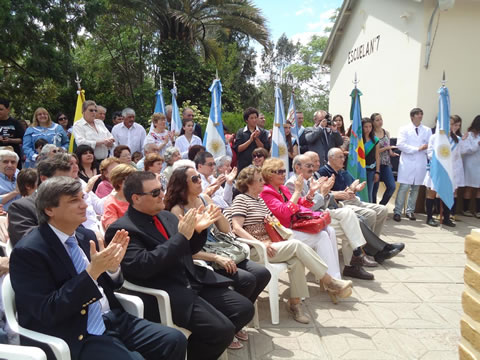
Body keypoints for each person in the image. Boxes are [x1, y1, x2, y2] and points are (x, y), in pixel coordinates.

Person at [10, 176, 187, 360]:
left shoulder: (85, 236)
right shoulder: (29, 252)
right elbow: (47, 311)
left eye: (82, 198)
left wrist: (112, 268)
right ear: (49, 209)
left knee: (174, 339)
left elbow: (110, 284)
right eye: (74, 201)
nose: (84, 205)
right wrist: (92, 272)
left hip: (112, 319)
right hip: (77, 330)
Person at [105, 171, 254, 360]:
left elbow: (187, 250)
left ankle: (196, 349)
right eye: (155, 192)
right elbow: (143, 266)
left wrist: (197, 232)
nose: (162, 195)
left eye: (161, 189)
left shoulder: (166, 216)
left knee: (243, 309)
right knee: (221, 331)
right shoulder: (123, 229)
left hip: (192, 279)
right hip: (166, 290)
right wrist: (182, 236)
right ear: (136, 198)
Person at [229, 166, 353, 323]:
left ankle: (295, 304)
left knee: (296, 260)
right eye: (259, 179)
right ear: (248, 183)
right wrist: (259, 242)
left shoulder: (259, 200)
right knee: (296, 245)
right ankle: (330, 281)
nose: (263, 182)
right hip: (255, 250)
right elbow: (236, 227)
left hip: (271, 246)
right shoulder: (241, 199)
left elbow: (273, 223)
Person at [165, 165, 270, 348]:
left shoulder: (204, 199)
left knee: (262, 274)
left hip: (223, 249)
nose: (200, 181)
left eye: (199, 177)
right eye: (195, 179)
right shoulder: (177, 210)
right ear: (183, 184)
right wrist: (214, 257)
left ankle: (236, 321)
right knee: (246, 280)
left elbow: (226, 229)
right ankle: (230, 322)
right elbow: (184, 248)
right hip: (203, 257)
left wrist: (214, 212)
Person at [285, 154, 376, 280]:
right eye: (308, 166)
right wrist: (322, 193)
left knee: (349, 219)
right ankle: (356, 257)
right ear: (297, 168)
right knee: (349, 226)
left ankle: (353, 262)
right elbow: (303, 210)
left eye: (313, 165)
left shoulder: (309, 180)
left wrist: (325, 192)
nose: (312, 168)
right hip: (306, 222)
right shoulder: (292, 184)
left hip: (320, 215)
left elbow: (321, 202)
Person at [259, 158, 342, 279]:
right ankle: (332, 279)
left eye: (284, 171)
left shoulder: (282, 189)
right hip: (281, 233)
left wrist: (311, 193)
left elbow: (299, 205)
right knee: (322, 236)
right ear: (269, 174)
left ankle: (333, 276)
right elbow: (284, 212)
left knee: (330, 230)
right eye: (280, 172)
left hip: (295, 227)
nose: (283, 174)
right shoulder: (266, 192)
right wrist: (298, 191)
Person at [7, 156, 72, 246]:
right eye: (62, 180)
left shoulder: (71, 202)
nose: (69, 185)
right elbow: (28, 242)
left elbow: (79, 233)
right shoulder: (21, 207)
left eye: (71, 181)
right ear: (44, 179)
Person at [393, 108, 432, 222]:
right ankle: (397, 211)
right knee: (404, 187)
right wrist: (417, 149)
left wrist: (424, 150)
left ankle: (410, 211)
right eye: (417, 114)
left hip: (420, 161)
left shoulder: (427, 130)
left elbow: (429, 145)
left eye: (421, 114)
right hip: (407, 161)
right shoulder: (404, 129)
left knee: (415, 188)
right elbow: (400, 145)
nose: (420, 116)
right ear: (412, 117)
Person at [371, 112, 398, 205]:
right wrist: (387, 148)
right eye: (377, 120)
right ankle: (374, 209)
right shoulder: (371, 134)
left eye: (381, 119)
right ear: (373, 122)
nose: (380, 122)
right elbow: (373, 151)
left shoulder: (386, 132)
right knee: (374, 189)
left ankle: (381, 206)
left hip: (386, 163)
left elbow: (388, 146)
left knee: (392, 186)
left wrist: (391, 152)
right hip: (374, 164)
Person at [234, 107, 271, 173]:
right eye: (251, 118)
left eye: (255, 117)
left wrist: (256, 138)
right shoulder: (241, 132)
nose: (254, 120)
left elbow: (264, 149)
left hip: (259, 167)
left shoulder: (262, 132)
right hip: (243, 166)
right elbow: (238, 149)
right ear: (246, 120)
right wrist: (250, 140)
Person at [101, 164, 137, 230]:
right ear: (119, 182)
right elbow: (112, 229)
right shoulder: (111, 204)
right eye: (131, 179)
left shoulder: (137, 198)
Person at [462, 115, 480, 217]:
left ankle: (477, 210)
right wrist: (477, 144)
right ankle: (466, 209)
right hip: (470, 164)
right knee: (469, 187)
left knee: (479, 188)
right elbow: (466, 150)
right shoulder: (468, 135)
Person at [0, 98, 25, 169]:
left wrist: (11, 140)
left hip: (13, 158)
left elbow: (22, 139)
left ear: (8, 109)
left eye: (1, 109)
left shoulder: (16, 123)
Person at [361, 117, 380, 203]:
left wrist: (377, 172)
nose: (368, 129)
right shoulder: (358, 140)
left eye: (370, 126)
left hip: (371, 170)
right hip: (360, 169)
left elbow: (377, 156)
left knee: (369, 193)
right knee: (360, 192)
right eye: (366, 127)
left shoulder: (375, 140)